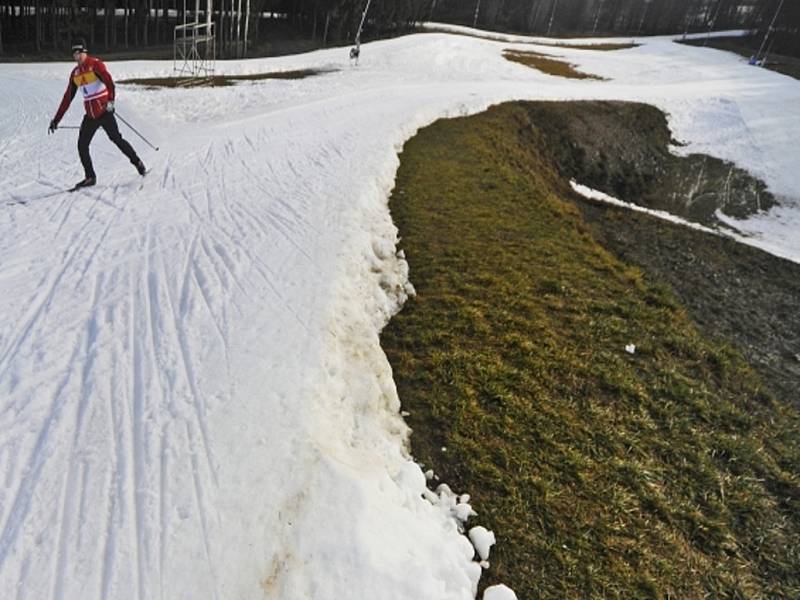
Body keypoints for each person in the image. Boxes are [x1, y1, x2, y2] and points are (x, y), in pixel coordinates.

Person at [49, 38, 146, 189]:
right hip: (91, 117)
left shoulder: (95, 65)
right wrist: (56, 120)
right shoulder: (75, 74)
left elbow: (110, 84)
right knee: (82, 145)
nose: (77, 56)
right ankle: (90, 177)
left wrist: (111, 103)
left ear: (85, 52)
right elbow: (67, 98)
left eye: (79, 52)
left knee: (116, 139)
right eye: (74, 53)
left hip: (104, 112)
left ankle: (138, 162)